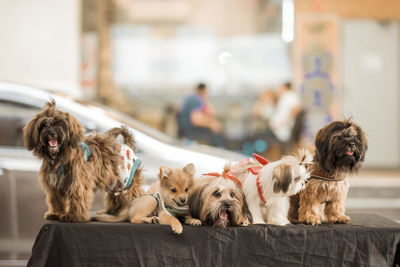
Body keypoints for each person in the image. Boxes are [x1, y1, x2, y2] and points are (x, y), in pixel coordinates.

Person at [250, 82, 303, 156]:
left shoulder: (289, 96)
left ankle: (258, 158)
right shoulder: (283, 98)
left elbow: (298, 107)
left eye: (279, 87)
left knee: (255, 137)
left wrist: (283, 122)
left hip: (280, 132)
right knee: (256, 136)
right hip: (276, 130)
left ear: (284, 87)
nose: (278, 89)